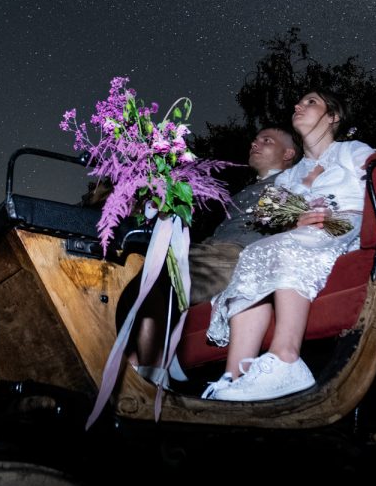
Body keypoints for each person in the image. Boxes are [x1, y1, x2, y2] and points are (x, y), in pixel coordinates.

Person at [201, 90, 374, 401]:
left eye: (311, 102)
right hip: (306, 233)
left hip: (349, 224)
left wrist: (332, 214)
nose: (298, 105)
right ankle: (236, 375)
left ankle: (287, 357)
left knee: (287, 247)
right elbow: (274, 217)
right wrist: (296, 219)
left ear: (332, 117)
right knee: (254, 254)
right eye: (299, 101)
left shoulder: (351, 151)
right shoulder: (288, 177)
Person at [126, 126, 302, 367]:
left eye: (267, 140)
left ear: (288, 154)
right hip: (209, 251)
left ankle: (148, 375)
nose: (255, 144)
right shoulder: (247, 188)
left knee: (161, 276)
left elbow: (289, 220)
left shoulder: (293, 181)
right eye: (255, 139)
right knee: (145, 273)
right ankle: (141, 368)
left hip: (237, 255)